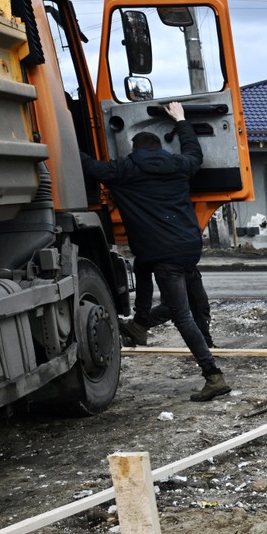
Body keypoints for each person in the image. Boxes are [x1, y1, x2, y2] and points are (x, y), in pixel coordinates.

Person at [81, 102, 228, 401]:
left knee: (180, 313)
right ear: (159, 147)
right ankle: (141, 325)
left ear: (134, 149)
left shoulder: (124, 169)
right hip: (188, 247)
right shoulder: (178, 165)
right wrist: (182, 120)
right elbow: (194, 152)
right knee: (144, 266)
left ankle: (213, 375)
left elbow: (88, 165)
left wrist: (66, 142)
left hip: (164, 254)